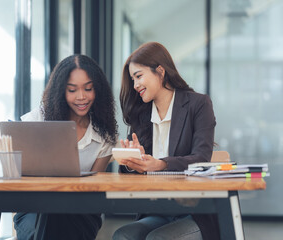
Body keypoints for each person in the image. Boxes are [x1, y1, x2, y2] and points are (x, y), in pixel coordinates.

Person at [112, 42, 220, 240]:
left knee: (158, 239)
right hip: (157, 211)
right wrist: (133, 161)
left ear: (160, 71)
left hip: (193, 214)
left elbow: (201, 158)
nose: (135, 85)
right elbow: (129, 172)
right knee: (123, 236)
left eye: (138, 76)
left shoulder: (198, 104)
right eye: (132, 79)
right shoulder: (142, 113)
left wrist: (160, 164)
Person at [14, 54, 117, 240]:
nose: (81, 97)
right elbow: (19, 173)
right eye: (72, 90)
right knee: (43, 222)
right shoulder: (39, 118)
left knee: (54, 221)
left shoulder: (104, 135)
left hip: (81, 212)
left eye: (88, 89)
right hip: (35, 208)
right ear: (61, 91)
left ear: (98, 90)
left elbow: (94, 190)